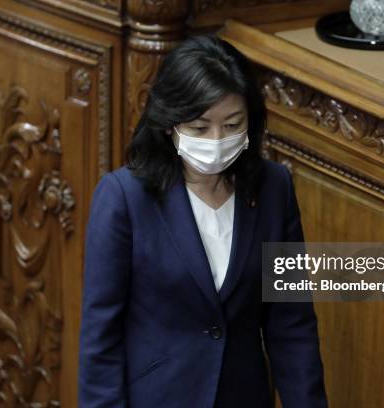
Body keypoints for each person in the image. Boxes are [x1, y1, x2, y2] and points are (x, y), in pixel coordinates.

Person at [78, 33, 327, 408]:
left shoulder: (275, 188)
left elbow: (291, 325)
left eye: (231, 125)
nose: (216, 140)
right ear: (169, 124)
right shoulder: (123, 198)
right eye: (199, 127)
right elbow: (101, 338)